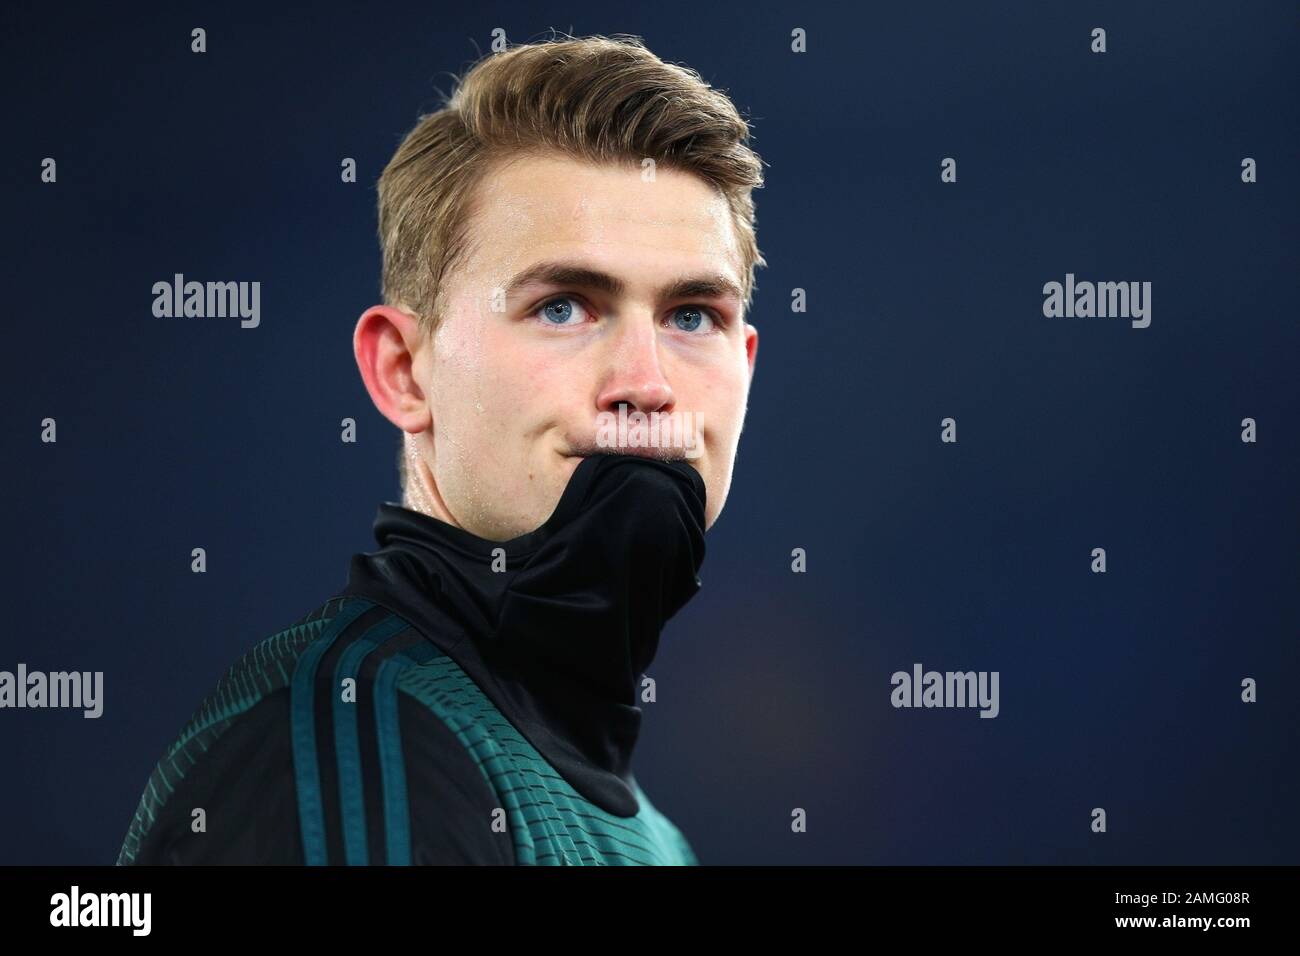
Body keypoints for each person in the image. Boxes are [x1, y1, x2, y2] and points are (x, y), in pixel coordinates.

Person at [117, 32, 764, 866]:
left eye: (690, 317)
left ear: (744, 368)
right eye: (564, 306)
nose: (644, 382)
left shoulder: (647, 831)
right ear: (404, 372)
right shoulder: (345, 749)